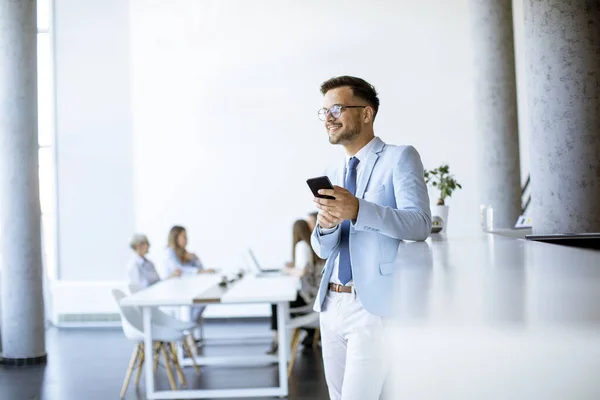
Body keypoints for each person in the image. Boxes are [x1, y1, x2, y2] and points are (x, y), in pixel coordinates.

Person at [311, 76, 431, 400]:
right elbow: (322, 249)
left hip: (371, 307)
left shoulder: (400, 157)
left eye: (336, 108)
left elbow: (420, 224)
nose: (328, 118)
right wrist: (325, 226)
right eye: (323, 112)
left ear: (366, 114)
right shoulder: (334, 170)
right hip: (331, 303)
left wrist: (359, 209)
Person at [268, 219, 324, 354]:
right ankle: (279, 340)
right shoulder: (310, 245)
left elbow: (303, 270)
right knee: (278, 302)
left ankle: (277, 341)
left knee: (276, 303)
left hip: (308, 299)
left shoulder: (301, 245)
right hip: (313, 295)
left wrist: (287, 270)